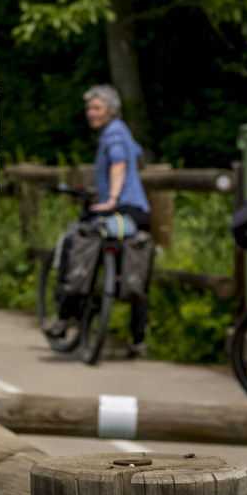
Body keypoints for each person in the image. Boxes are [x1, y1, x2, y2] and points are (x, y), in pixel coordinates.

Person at [47, 84, 152, 355]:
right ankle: (138, 338)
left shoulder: (113, 133)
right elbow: (136, 156)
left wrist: (112, 198)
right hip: (139, 212)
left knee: (78, 237)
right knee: (133, 259)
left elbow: (119, 163)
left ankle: (64, 316)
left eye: (97, 108)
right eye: (89, 108)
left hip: (120, 209)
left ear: (111, 110)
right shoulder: (124, 131)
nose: (91, 113)